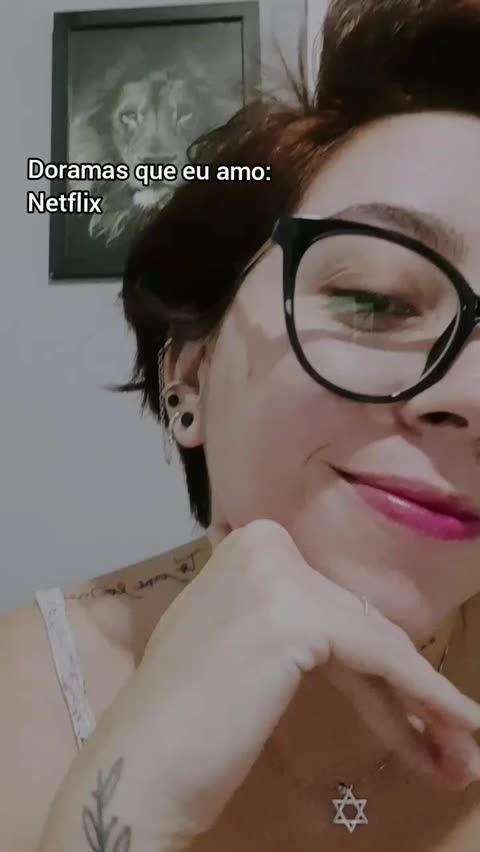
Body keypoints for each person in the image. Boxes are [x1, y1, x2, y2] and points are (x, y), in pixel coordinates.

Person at [4, 0, 480, 848]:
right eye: (375, 299)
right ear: (191, 375)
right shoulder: (19, 704)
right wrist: (125, 806)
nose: (473, 394)